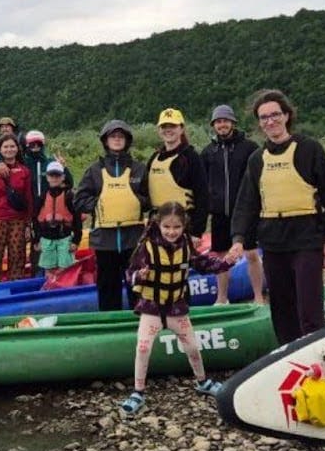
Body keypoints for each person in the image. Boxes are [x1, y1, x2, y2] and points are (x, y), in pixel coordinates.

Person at [225, 90, 325, 346]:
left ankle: (316, 354)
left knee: (309, 306)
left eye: (275, 114)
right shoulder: (257, 159)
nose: (270, 121)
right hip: (274, 240)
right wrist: (238, 238)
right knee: (281, 307)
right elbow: (247, 203)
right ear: (259, 122)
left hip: (306, 237)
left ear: (287, 116)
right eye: (263, 117)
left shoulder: (309, 149)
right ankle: (289, 355)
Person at [118, 202, 239, 417]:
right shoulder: (146, 246)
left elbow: (202, 264)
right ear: (159, 224)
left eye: (176, 227)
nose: (171, 232)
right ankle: (138, 392)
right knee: (143, 348)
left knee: (192, 347)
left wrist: (225, 262)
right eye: (167, 227)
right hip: (151, 308)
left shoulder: (185, 245)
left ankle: (202, 381)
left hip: (176, 308)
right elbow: (130, 274)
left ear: (184, 227)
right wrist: (139, 276)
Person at [73, 119, 149, 310]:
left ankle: (141, 323)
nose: (117, 139)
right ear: (106, 141)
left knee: (137, 286)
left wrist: (136, 201)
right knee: (107, 287)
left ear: (127, 140)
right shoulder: (94, 170)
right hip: (104, 241)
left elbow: (151, 199)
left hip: (133, 239)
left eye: (120, 136)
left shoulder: (139, 169)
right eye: (113, 136)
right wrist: (99, 205)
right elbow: (79, 200)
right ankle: (111, 324)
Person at [200, 104, 264, 305]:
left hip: (246, 212)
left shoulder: (250, 148)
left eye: (226, 121)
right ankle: (221, 298)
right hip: (220, 213)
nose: (222, 125)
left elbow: (259, 179)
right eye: (218, 122)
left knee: (251, 253)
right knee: (221, 257)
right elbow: (202, 182)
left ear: (233, 123)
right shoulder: (208, 152)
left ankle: (259, 297)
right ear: (213, 126)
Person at [145, 108, 209, 238]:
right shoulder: (154, 158)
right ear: (159, 130)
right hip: (157, 224)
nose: (168, 130)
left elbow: (203, 196)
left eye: (173, 126)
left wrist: (197, 232)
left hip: (183, 225)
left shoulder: (191, 157)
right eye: (164, 126)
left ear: (181, 129)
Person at [0, 132, 35, 282]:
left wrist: (28, 224)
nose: (9, 149)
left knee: (18, 254)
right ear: (0, 149)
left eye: (12, 146)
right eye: (6, 147)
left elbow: (28, 199)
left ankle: (16, 285)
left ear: (17, 149)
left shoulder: (24, 170)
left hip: (18, 219)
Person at [33, 160, 83, 272]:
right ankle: (50, 288)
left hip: (64, 238)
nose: (54, 178)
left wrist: (76, 240)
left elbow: (77, 220)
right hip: (46, 239)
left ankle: (64, 287)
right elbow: (35, 219)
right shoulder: (42, 196)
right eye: (51, 175)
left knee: (65, 268)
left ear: (63, 177)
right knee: (49, 269)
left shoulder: (69, 196)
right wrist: (36, 240)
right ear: (47, 177)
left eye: (57, 175)